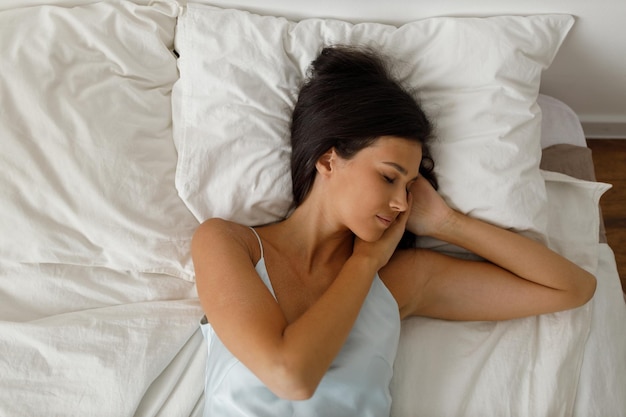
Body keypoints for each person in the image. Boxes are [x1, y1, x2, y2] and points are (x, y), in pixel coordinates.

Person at [192, 45, 596, 417]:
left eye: (409, 187)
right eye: (389, 177)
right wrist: (365, 262)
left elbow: (572, 288)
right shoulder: (228, 244)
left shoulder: (402, 279)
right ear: (329, 161)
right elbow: (290, 377)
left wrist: (447, 223)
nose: (403, 203)